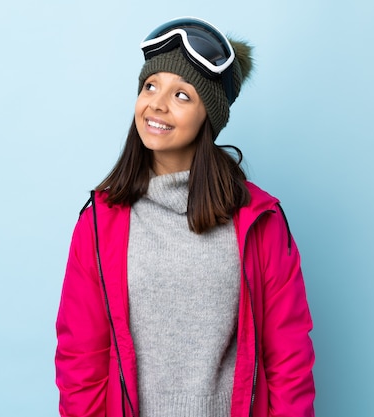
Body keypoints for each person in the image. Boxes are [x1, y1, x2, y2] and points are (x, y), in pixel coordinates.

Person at [55, 17, 315, 417]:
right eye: (150, 86)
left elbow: (288, 358)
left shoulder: (259, 222)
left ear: (207, 116)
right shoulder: (98, 224)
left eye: (182, 95)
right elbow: (80, 360)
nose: (157, 103)